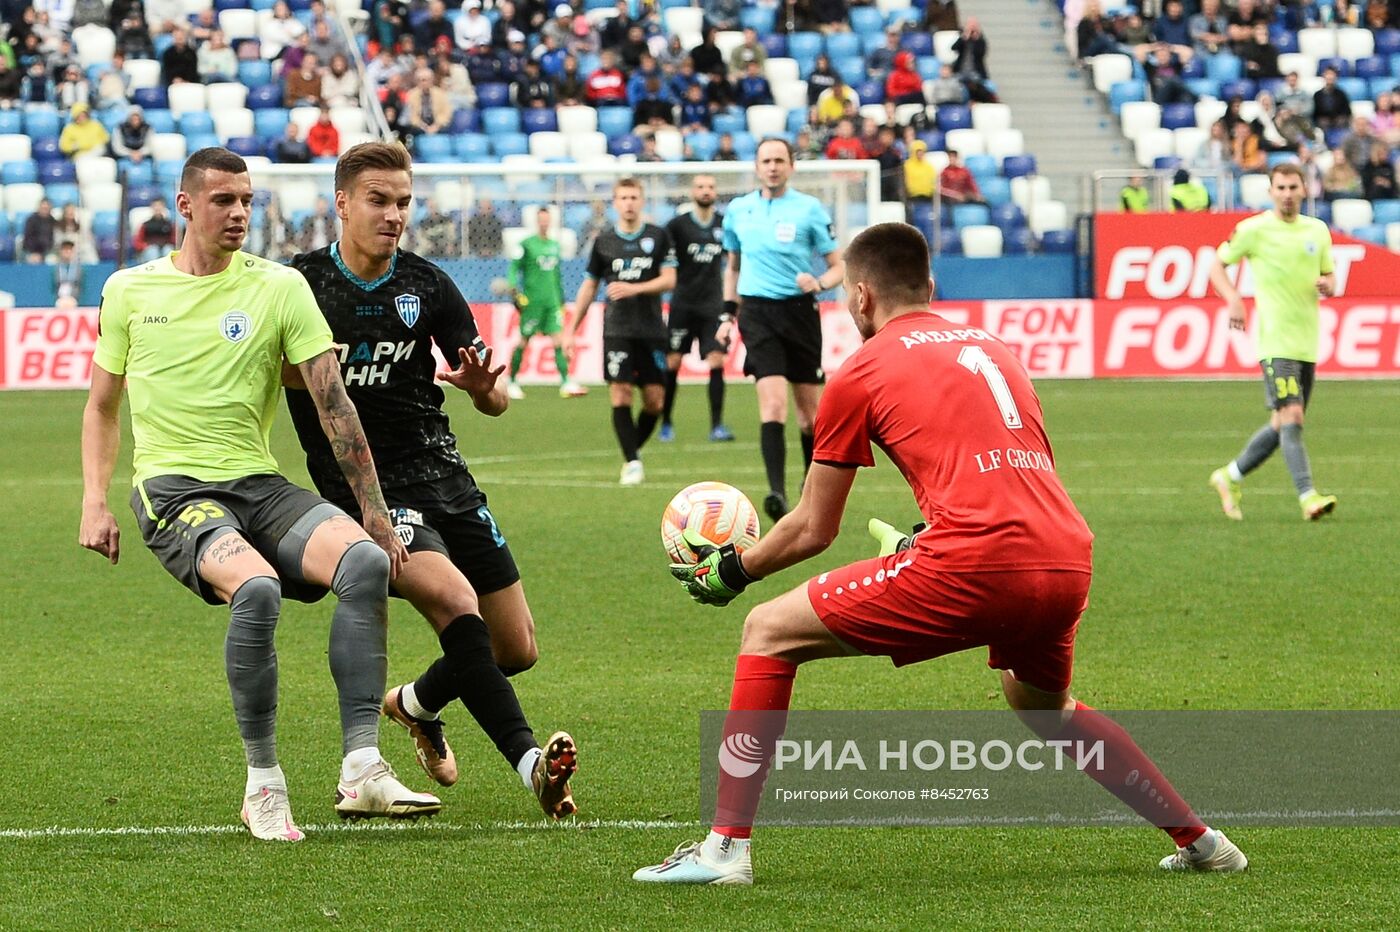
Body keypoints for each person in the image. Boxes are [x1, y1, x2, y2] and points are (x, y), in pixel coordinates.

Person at [632, 222, 1248, 885]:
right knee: (1046, 708)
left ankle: (724, 852)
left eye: (846, 295)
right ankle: (1203, 841)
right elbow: (1016, 476)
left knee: (767, 632)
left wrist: (731, 571)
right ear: (930, 285)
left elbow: (813, 526)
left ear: (862, 296)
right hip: (1065, 555)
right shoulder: (996, 347)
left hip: (976, 563)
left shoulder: (860, 370)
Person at [79, 147, 438, 843]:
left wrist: (374, 512)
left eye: (246, 200)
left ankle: (362, 767)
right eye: (223, 201)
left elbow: (334, 403)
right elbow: (101, 406)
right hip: (174, 490)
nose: (239, 212)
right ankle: (263, 784)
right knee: (258, 590)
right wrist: (95, 500)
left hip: (258, 482)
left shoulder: (278, 287)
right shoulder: (129, 291)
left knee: (364, 562)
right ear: (186, 207)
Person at [284, 142, 579, 821]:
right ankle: (535, 767)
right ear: (343, 203)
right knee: (453, 599)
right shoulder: (299, 287)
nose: (394, 215)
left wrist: (482, 392)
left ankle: (413, 704)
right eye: (379, 201)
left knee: (515, 648)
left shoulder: (427, 285)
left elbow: (492, 398)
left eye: (404, 202)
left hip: (446, 476)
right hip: (367, 493)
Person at [1207, 163, 1338, 522]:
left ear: (1303, 190)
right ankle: (1308, 496)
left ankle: (1229, 475)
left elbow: (1330, 276)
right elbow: (1216, 266)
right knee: (1292, 416)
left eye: (1293, 187)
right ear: (1270, 192)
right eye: (1280, 187)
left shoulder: (1318, 231)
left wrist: (1328, 284)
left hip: (1307, 342)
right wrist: (1234, 299)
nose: (1287, 193)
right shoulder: (1254, 230)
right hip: (1275, 342)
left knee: (1283, 423)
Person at [721, 138, 843, 521]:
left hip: (799, 313)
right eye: (765, 161)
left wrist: (820, 283)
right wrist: (727, 316)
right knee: (772, 404)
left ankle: (811, 489)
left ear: (791, 166)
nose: (772, 167)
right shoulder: (738, 211)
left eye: (779, 160)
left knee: (811, 416)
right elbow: (733, 267)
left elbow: (840, 265)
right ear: (756, 167)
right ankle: (776, 492)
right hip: (756, 314)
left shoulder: (809, 210)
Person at [564, 178, 677, 486]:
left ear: (642, 201)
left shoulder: (658, 236)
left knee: (655, 401)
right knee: (621, 392)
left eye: (634, 197)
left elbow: (669, 279)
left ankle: (632, 448)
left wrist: (634, 288)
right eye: (623, 197)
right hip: (617, 330)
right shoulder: (604, 241)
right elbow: (590, 285)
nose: (629, 202)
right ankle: (632, 461)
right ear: (615, 203)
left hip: (652, 329)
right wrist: (571, 329)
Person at [660, 175, 733, 444]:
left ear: (716, 192)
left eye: (711, 187)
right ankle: (666, 421)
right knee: (673, 361)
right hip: (683, 303)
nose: (706, 191)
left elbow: (734, 260)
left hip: (712, 305)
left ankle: (717, 425)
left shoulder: (724, 225)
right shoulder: (677, 226)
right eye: (701, 187)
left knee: (717, 360)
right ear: (692, 192)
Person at [506, 206, 586, 399]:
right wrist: (514, 290)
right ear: (536, 221)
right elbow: (514, 268)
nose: (544, 222)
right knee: (524, 341)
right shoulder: (526, 244)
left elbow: (556, 275)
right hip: (532, 302)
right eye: (541, 219)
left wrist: (561, 299)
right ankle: (511, 381)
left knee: (558, 340)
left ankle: (566, 382)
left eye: (546, 219)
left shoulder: (554, 245)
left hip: (551, 302)